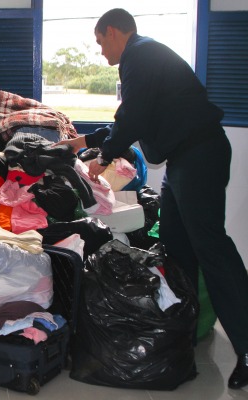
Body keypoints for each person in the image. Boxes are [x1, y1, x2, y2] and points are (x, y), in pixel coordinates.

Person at [56, 8, 248, 389]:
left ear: (112, 32)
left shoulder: (139, 55)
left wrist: (104, 155)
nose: (101, 53)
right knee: (178, 247)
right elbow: (131, 115)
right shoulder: (145, 56)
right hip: (184, 159)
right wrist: (86, 141)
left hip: (200, 155)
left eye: (99, 43)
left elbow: (134, 117)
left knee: (211, 247)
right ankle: (183, 331)